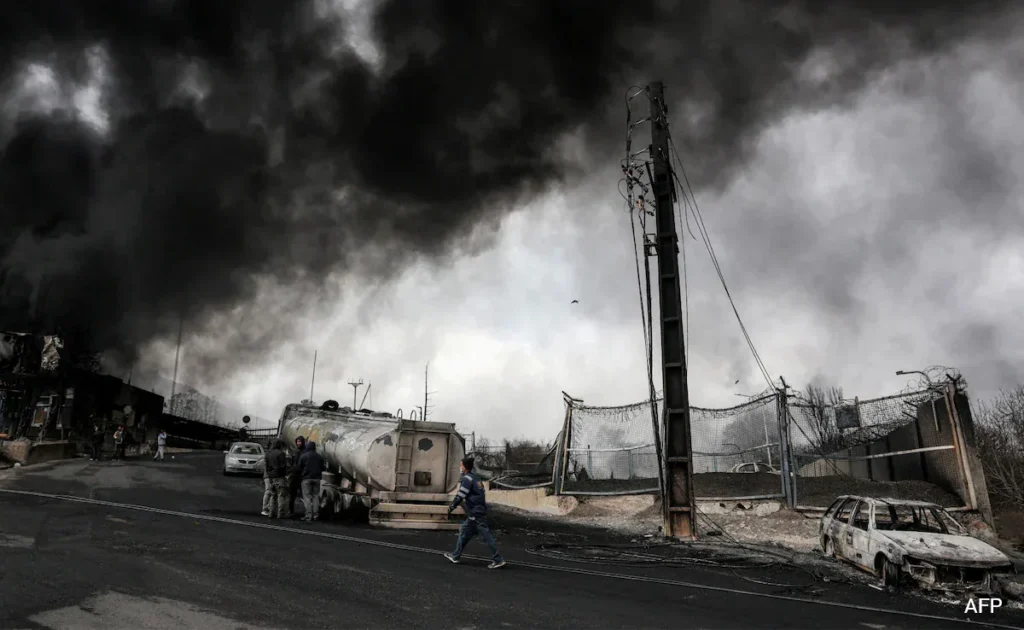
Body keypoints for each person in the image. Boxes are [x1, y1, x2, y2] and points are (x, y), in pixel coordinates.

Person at [444, 457, 505, 569]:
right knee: (464, 532)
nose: (460, 467)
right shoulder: (476, 479)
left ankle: (498, 559)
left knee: (486, 535)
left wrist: (452, 507)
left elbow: (461, 495)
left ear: (465, 468)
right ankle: (455, 555)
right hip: (478, 511)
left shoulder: (467, 479)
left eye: (461, 465)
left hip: (475, 513)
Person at [297, 440, 325, 522]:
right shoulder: (319, 457)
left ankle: (308, 515)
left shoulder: (304, 456)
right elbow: (322, 468)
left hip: (306, 478)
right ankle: (316, 515)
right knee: (316, 496)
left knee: (307, 497)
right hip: (317, 479)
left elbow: (299, 467)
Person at [264, 439, 290, 519]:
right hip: (279, 477)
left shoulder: (268, 453)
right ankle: (280, 513)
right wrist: (285, 474)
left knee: (273, 495)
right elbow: (283, 466)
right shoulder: (281, 453)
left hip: (271, 477)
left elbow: (267, 466)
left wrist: (269, 474)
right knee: (281, 496)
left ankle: (271, 513)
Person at [288, 435, 306, 517]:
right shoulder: (297, 452)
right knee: (292, 495)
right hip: (295, 476)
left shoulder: (303, 453)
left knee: (304, 496)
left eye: (299, 442)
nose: (298, 443)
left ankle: (305, 512)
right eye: (297, 442)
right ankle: (290, 510)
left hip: (300, 476)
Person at [261, 439, 274, 517]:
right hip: (269, 475)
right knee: (269, 491)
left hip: (267, 475)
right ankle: (265, 508)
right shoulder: (269, 454)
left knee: (269, 491)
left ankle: (267, 508)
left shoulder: (267, 454)